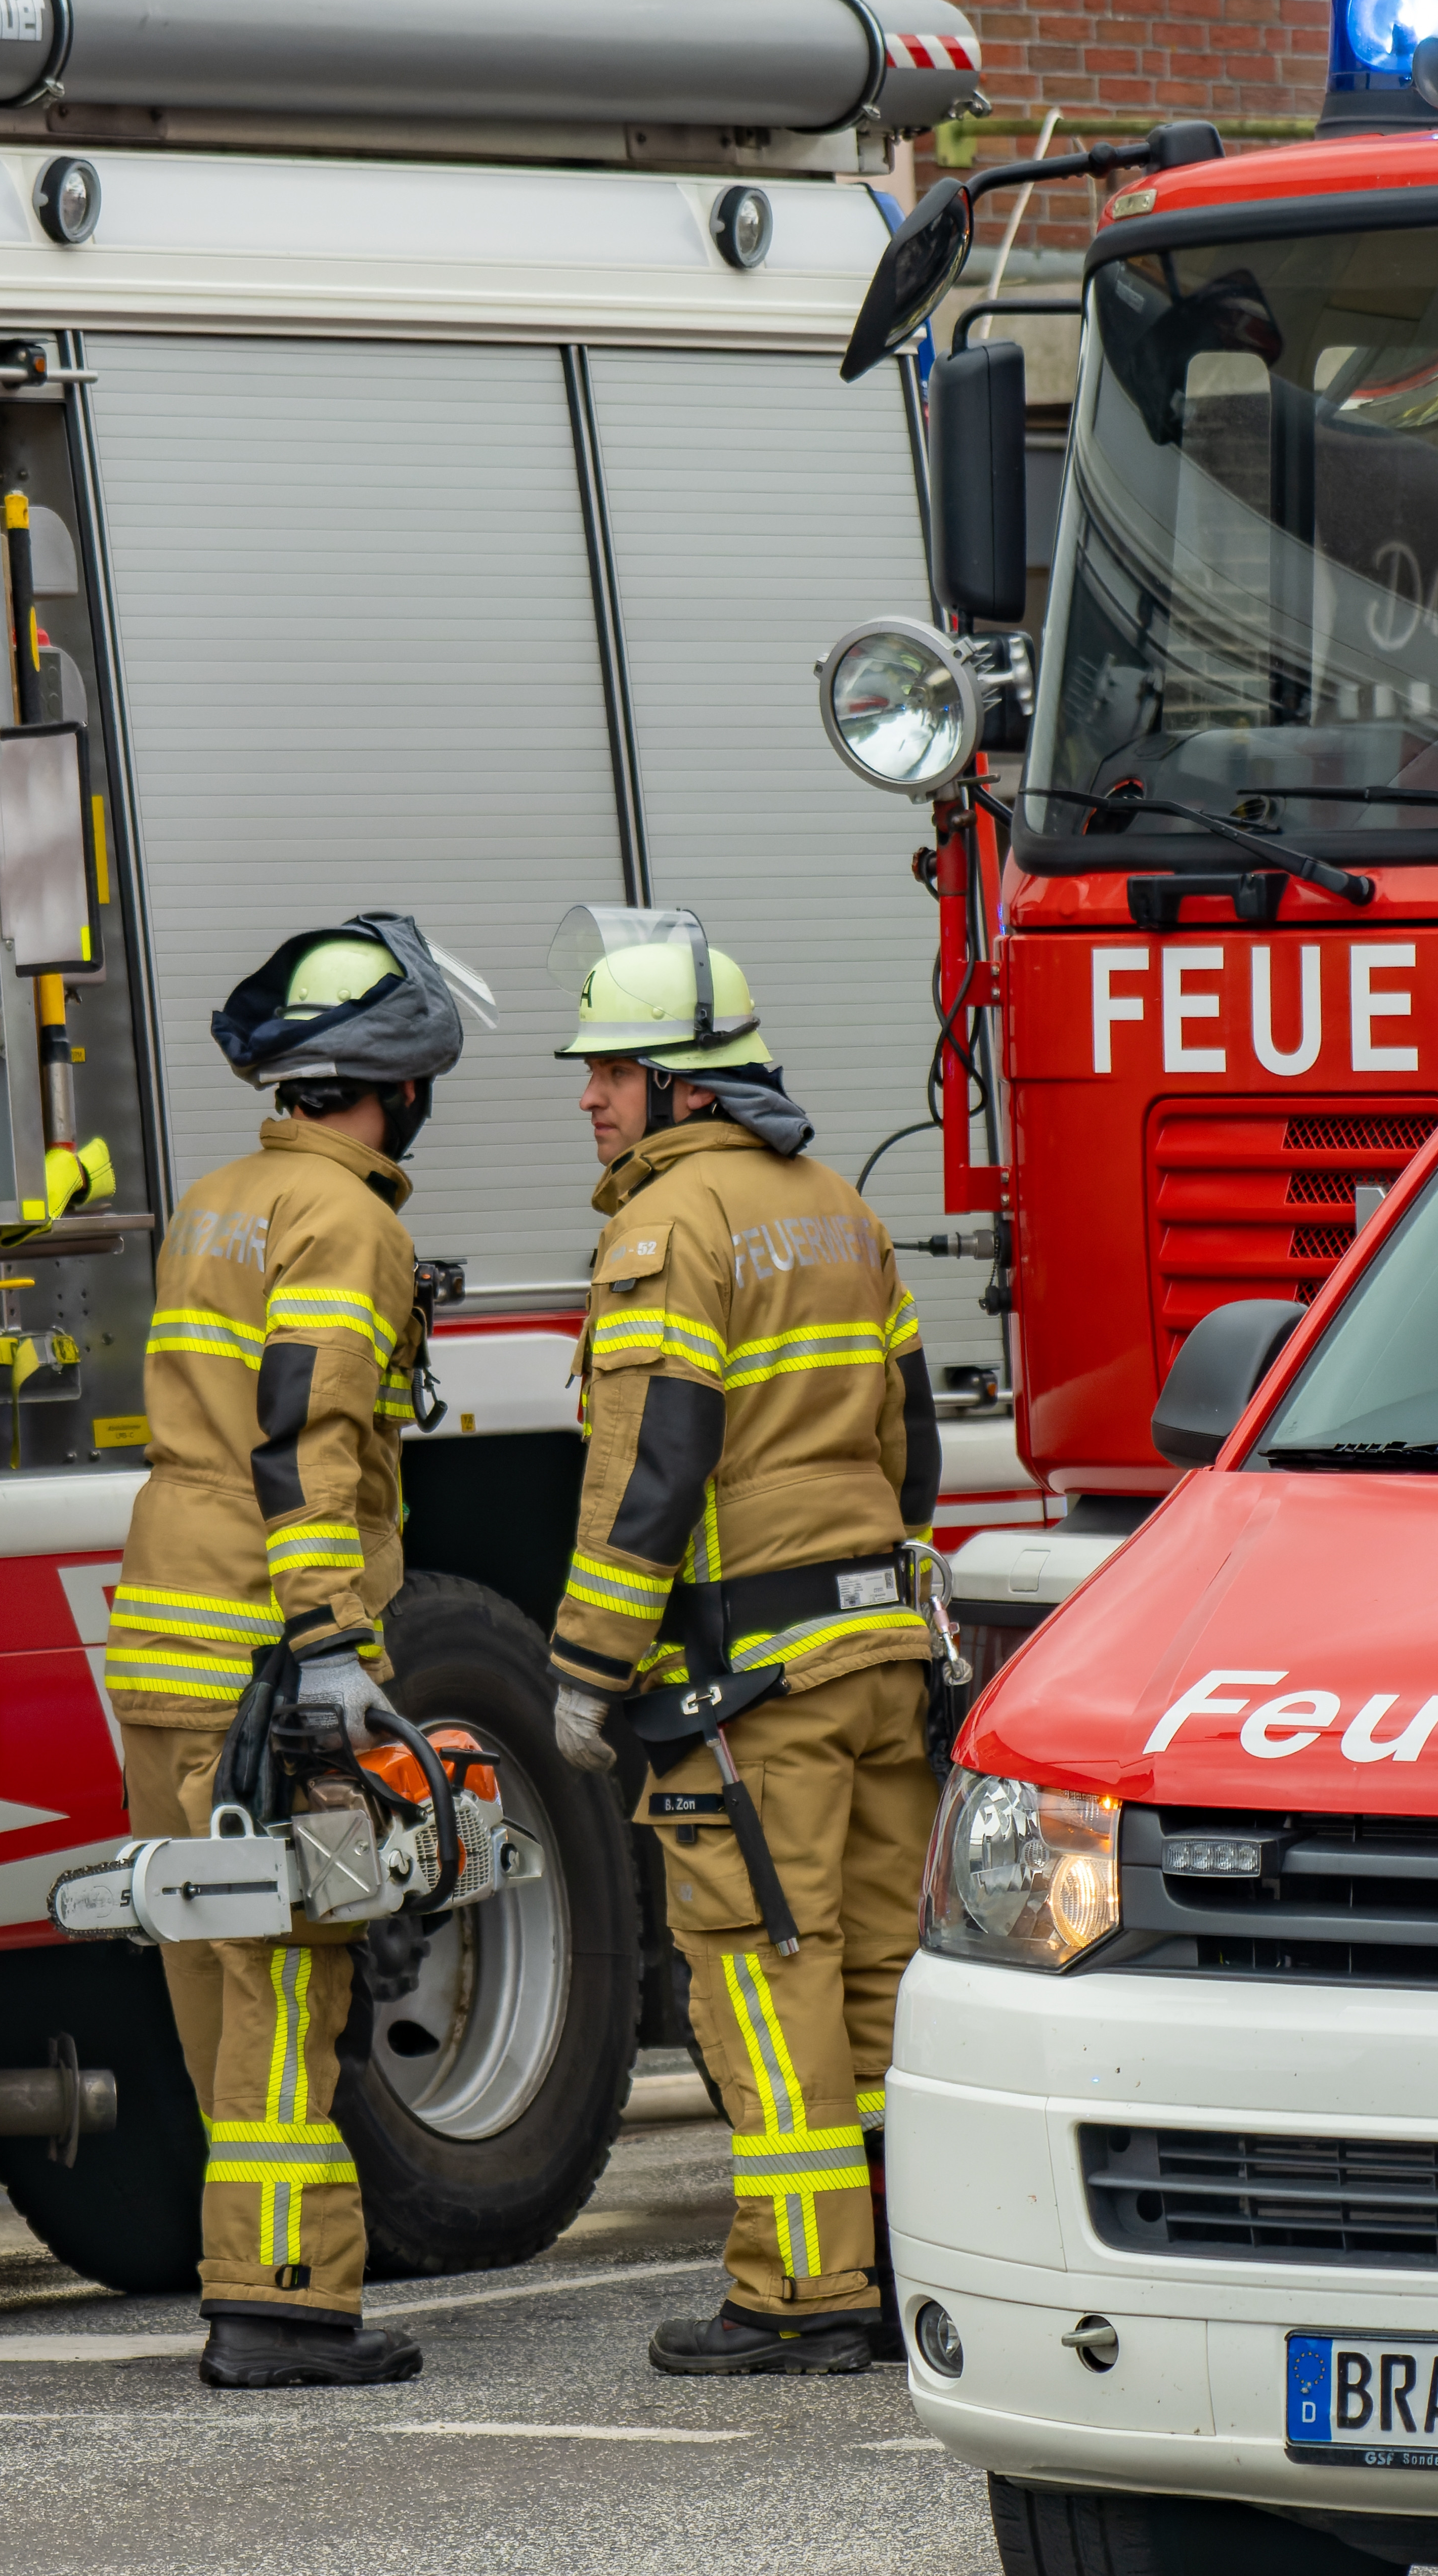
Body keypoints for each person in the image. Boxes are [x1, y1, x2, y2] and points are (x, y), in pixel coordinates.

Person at [541, 909, 945, 2375]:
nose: (590, 1094)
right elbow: (914, 1451)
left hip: (747, 1691)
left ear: (689, 1088)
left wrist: (586, 1670)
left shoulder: (667, 1226)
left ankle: (799, 2294)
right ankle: (914, 2270)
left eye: (615, 1070)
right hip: (873, 1656)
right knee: (881, 1974)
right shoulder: (840, 1206)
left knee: (762, 1975)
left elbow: (653, 1462)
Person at [94, 915, 478, 2390]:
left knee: (216, 1975)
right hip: (263, 1647)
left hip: (165, 1636)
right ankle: (281, 2308)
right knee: (289, 1976)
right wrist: (328, 1647)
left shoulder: (220, 1200)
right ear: (395, 1079)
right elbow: (309, 1437)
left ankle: (253, 2277)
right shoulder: (349, 1225)